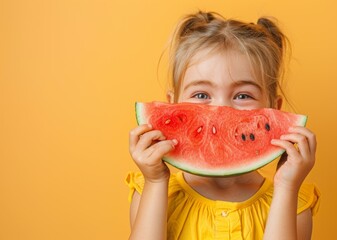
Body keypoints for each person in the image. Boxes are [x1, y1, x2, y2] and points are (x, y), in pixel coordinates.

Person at [125, 11, 320, 240]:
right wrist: (155, 181)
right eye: (200, 94)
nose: (221, 109)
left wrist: (287, 186)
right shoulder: (154, 191)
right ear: (172, 105)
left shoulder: (295, 202)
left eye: (242, 95)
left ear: (273, 109)